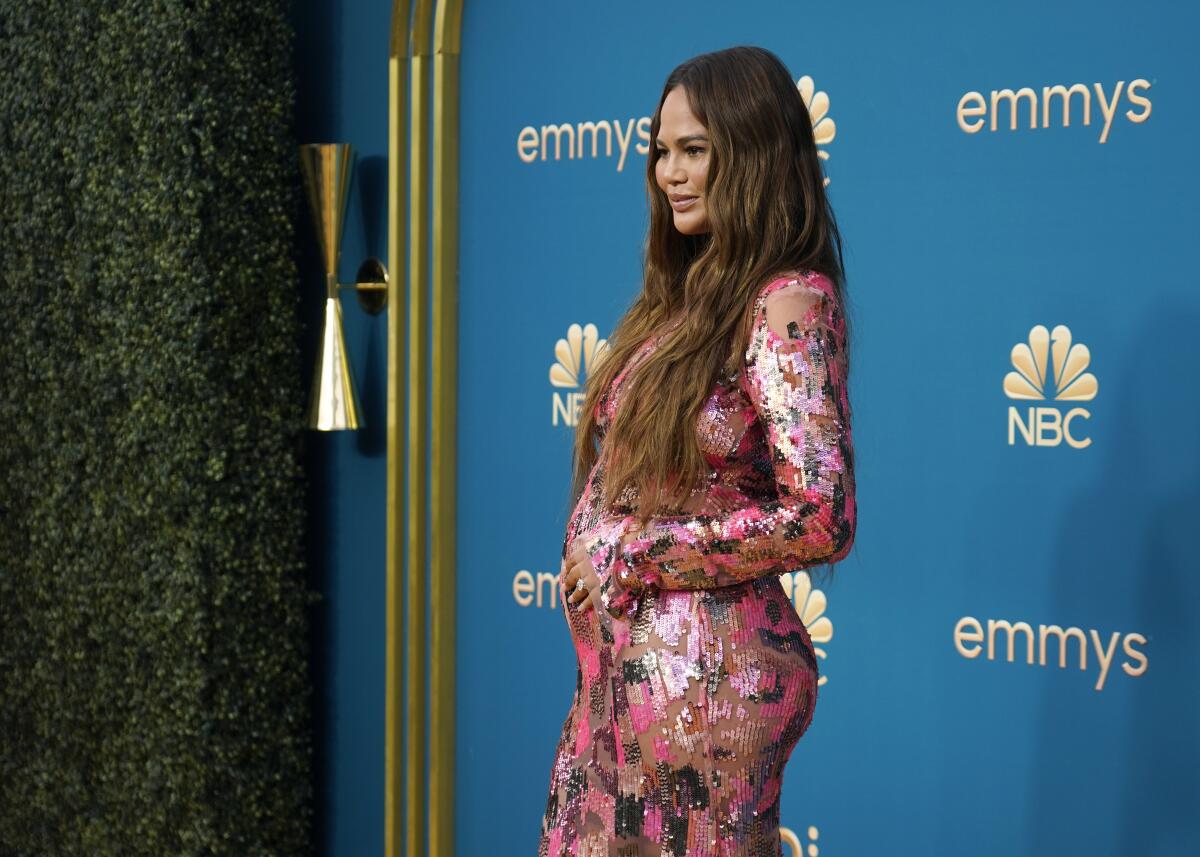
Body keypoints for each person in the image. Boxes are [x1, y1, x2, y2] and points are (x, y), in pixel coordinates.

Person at [538, 45, 857, 857]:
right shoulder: (680, 302)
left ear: (750, 152)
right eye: (659, 151)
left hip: (708, 696)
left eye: (693, 151)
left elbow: (822, 513)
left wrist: (639, 552)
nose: (668, 173)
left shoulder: (788, 301)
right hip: (619, 687)